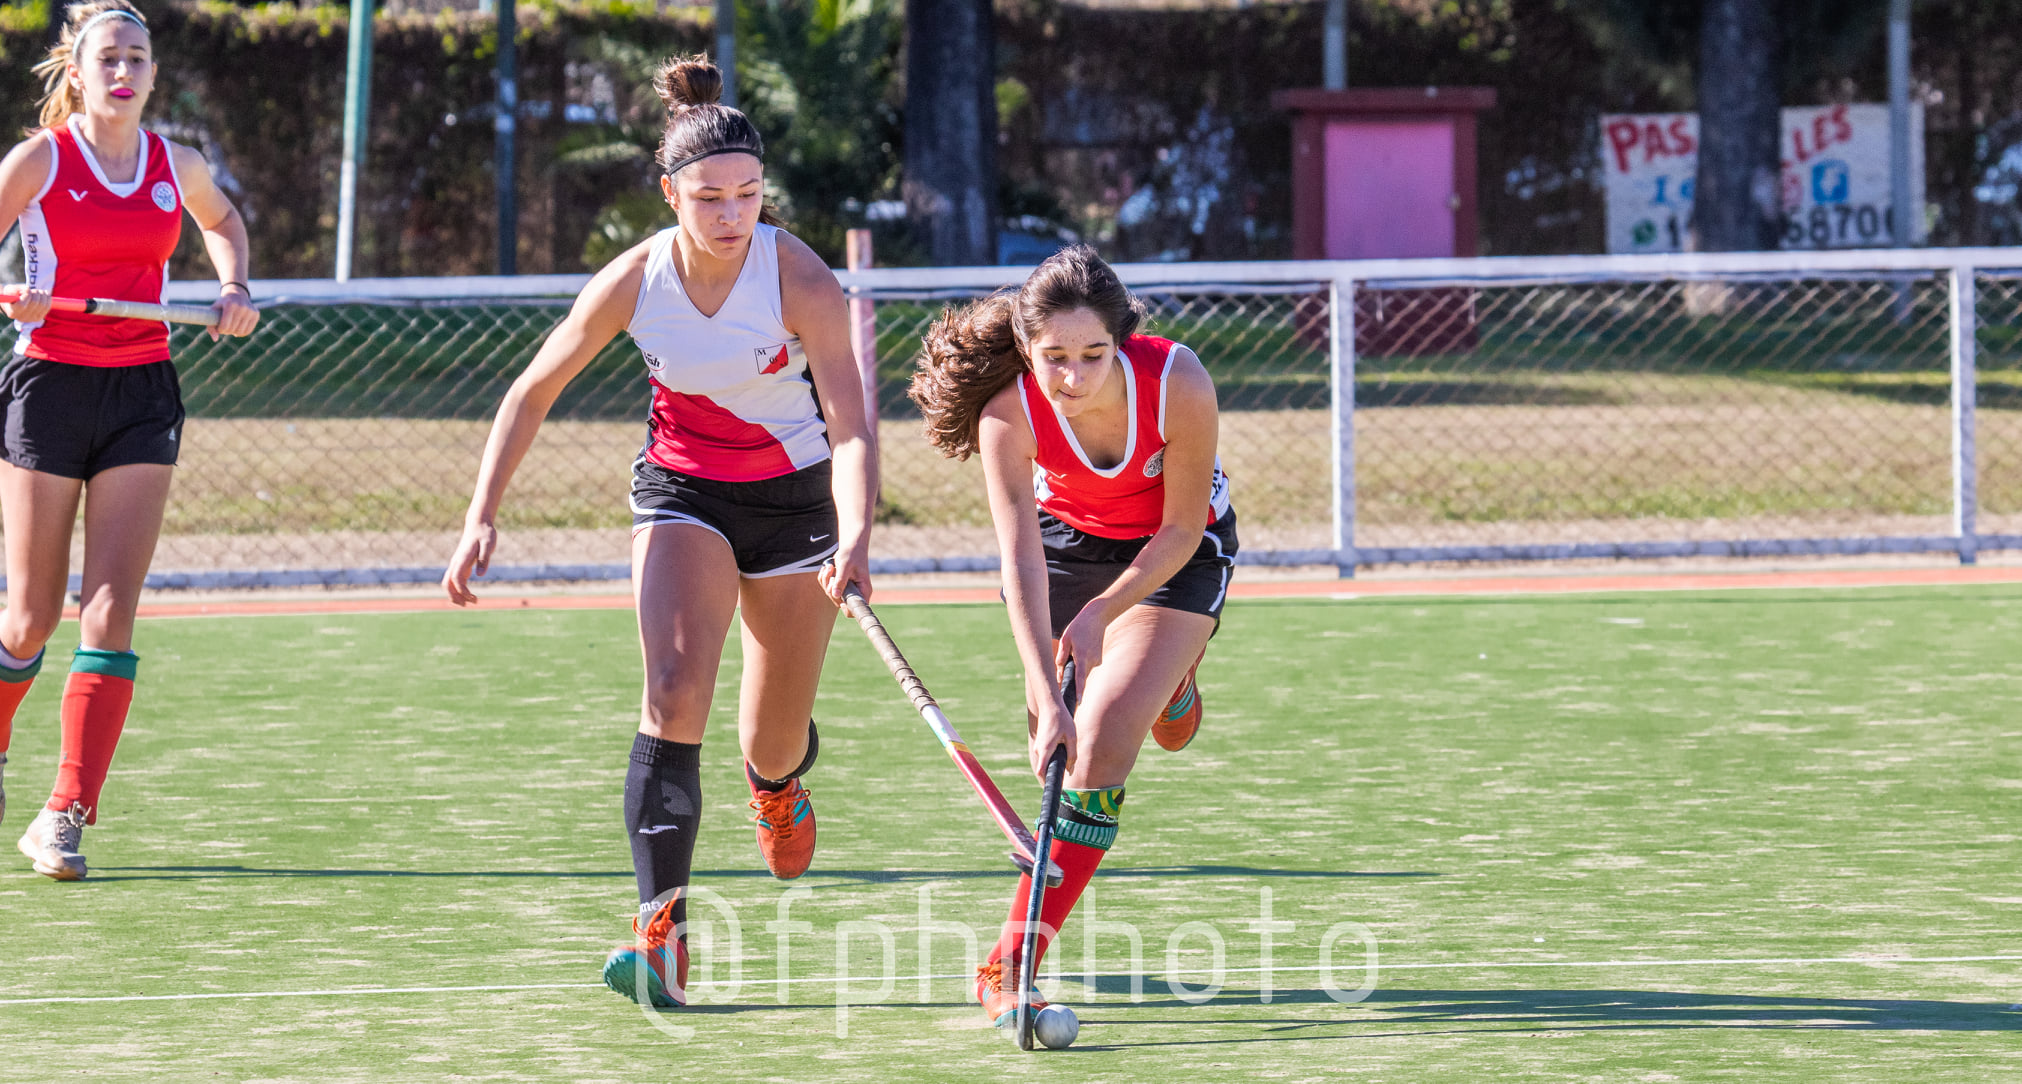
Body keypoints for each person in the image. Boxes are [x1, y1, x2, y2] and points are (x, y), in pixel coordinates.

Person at [441, 54, 876, 1010]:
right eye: (710, 198)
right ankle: (662, 936)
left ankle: (778, 786)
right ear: (670, 192)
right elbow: (532, 391)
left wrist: (856, 532)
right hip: (684, 492)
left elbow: (850, 422)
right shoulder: (635, 280)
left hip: (797, 504)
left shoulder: (797, 275)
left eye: (748, 195)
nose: (732, 216)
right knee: (674, 694)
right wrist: (482, 514)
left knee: (770, 740)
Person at [909, 245, 1235, 1029]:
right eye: (1054, 356)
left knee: (1102, 739)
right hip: (1063, 551)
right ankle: (1159, 676)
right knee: (1063, 738)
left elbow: (1182, 529)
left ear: (1122, 339)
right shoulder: (1008, 415)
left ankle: (1008, 965)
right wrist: (1040, 687)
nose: (1074, 377)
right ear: (1026, 347)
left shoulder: (1178, 382)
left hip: (1174, 551)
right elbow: (1019, 558)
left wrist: (1100, 616)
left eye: (1094, 354)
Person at [0, 0, 260, 881]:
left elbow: (223, 223)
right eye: (108, 57)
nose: (123, 71)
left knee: (110, 610)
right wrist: (18, 293)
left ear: (153, 74)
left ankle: (64, 815)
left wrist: (233, 288)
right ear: (77, 73)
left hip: (143, 385)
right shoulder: (40, 160)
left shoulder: (174, 163)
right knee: (31, 617)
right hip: (49, 385)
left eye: (137, 58)